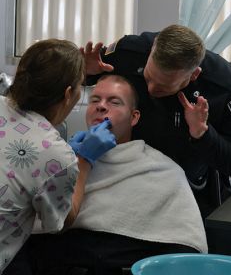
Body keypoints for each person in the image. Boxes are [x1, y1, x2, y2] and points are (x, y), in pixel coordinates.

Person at [27, 74, 207, 275]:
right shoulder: (62, 159)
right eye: (95, 100)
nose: (101, 106)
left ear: (134, 117)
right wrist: (77, 159)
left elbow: (186, 246)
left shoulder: (162, 169)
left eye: (114, 102)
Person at [83, 24, 231, 218]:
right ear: (150, 53)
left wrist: (202, 133)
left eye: (163, 87)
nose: (150, 89)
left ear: (193, 75)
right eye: (148, 78)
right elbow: (78, 82)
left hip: (189, 187)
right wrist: (85, 73)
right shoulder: (129, 51)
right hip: (129, 174)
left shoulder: (223, 86)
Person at [0, 39, 116, 275]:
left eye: (114, 101)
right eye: (92, 95)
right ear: (68, 94)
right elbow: (61, 221)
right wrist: (83, 160)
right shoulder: (57, 157)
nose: (102, 107)